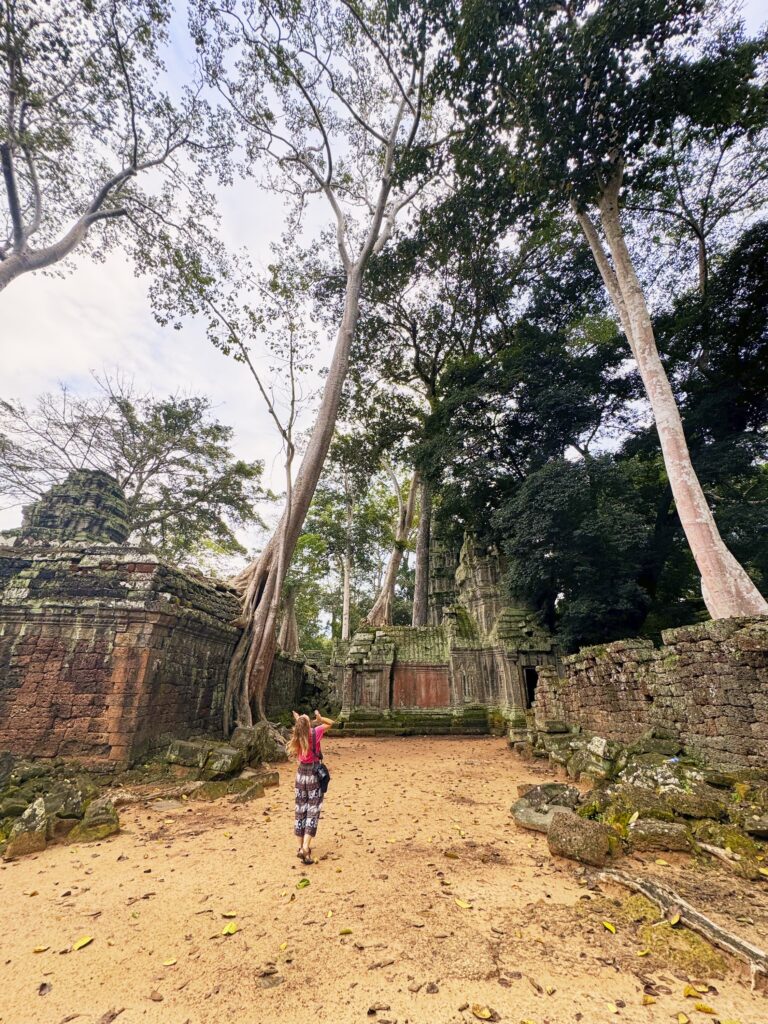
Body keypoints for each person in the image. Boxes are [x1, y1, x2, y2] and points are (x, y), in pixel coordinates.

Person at [288, 708, 334, 864]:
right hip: (314, 774)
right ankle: (306, 847)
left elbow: (300, 726)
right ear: (308, 724)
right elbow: (331, 723)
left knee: (300, 809)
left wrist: (299, 719)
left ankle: (300, 847)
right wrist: (320, 718)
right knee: (313, 810)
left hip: (301, 775)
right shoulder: (315, 732)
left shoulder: (298, 736)